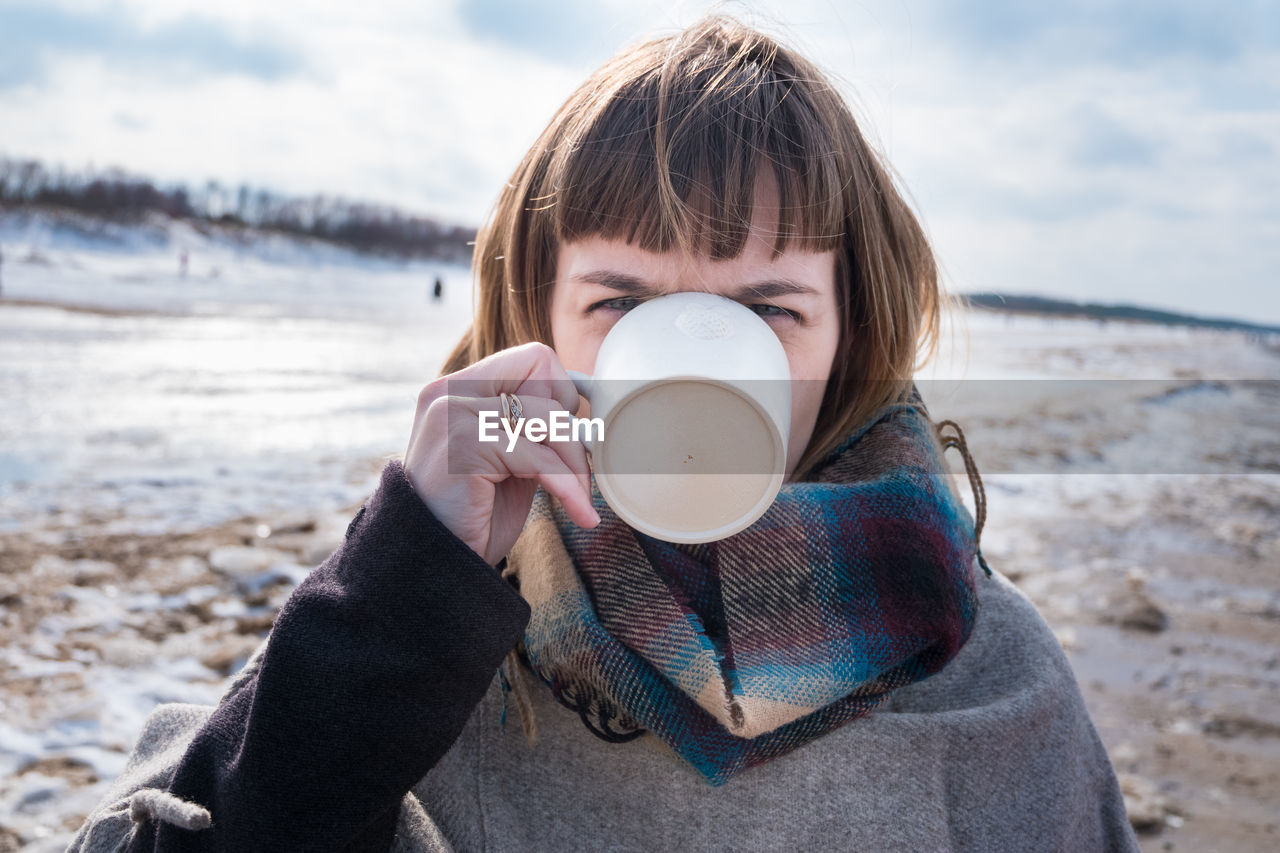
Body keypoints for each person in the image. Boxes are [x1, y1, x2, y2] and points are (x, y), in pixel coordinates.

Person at [71, 15, 1139, 852]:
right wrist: (399, 592)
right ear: (536, 318)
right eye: (619, 302)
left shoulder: (978, 662)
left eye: (766, 311)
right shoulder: (428, 618)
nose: (689, 360)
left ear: (846, 335)